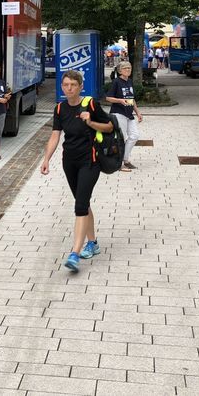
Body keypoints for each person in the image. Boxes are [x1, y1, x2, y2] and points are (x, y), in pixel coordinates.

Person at [40, 69, 113, 273]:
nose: (69, 88)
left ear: (80, 87)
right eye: (66, 85)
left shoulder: (91, 104)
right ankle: (93, 243)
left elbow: (109, 127)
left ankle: (74, 253)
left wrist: (90, 122)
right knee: (83, 202)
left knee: (80, 205)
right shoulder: (59, 108)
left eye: (73, 85)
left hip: (90, 161)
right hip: (69, 162)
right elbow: (55, 135)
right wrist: (46, 159)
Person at [105, 60, 142, 172]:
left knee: (134, 136)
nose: (128, 70)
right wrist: (120, 100)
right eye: (125, 68)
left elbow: (132, 99)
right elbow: (108, 98)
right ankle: (119, 163)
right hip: (118, 113)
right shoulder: (116, 82)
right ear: (120, 71)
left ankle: (125, 159)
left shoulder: (129, 81)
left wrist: (138, 112)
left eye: (129, 68)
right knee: (120, 139)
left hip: (128, 114)